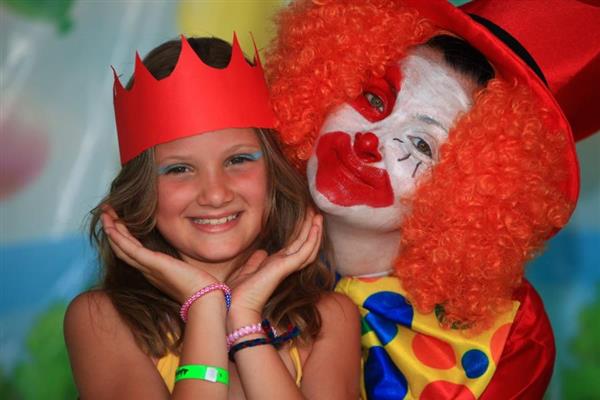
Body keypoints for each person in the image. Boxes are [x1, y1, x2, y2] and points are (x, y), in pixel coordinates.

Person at [266, 0, 600, 398]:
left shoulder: (512, 340)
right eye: (374, 100)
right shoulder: (229, 228)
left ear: (468, 189)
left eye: (421, 144)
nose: (370, 141)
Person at [64, 35, 360, 399]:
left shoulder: (329, 319)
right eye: (179, 169)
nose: (216, 194)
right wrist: (204, 304)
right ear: (142, 190)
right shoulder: (103, 320)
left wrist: (245, 323)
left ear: (274, 173)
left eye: (238, 160)